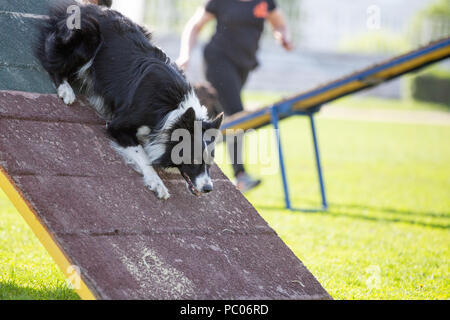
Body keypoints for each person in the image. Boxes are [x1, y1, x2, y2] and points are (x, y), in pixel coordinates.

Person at [177, 0, 292, 192]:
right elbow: (195, 25)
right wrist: (185, 54)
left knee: (213, 121)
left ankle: (185, 157)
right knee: (236, 114)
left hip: (243, 66)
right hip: (218, 60)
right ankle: (241, 175)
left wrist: (283, 36)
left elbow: (279, 23)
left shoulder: (265, 2)